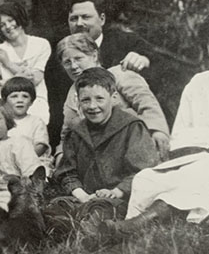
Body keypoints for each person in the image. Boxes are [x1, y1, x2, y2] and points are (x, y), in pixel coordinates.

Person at [100, 7, 209, 240]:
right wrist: (203, 157)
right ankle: (183, 220)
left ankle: (138, 224)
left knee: (205, 172)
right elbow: (180, 142)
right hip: (195, 166)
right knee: (147, 177)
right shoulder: (198, 84)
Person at [51, 68, 158, 222]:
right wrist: (82, 195)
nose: (92, 106)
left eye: (99, 99)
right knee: (54, 210)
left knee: (100, 214)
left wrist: (116, 191)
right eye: (85, 100)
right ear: (78, 101)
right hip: (86, 198)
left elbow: (143, 171)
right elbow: (67, 173)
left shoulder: (131, 127)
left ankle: (95, 229)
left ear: (114, 98)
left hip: (121, 198)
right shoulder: (76, 132)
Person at [55, 33, 170, 160]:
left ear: (94, 55)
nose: (74, 66)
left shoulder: (119, 74)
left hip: (133, 146)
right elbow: (67, 133)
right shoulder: (72, 95)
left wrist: (157, 131)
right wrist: (61, 153)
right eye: (67, 62)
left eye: (78, 59)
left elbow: (146, 103)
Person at [0, 2, 51, 124]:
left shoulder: (41, 44)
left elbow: (35, 79)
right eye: (2, 25)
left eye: (11, 20)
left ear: (19, 19)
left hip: (36, 100)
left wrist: (9, 64)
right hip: (8, 104)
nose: (8, 26)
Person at [1, 77, 53, 175]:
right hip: (7, 163)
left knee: (40, 173)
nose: (20, 100)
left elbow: (41, 146)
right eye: (14, 96)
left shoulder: (36, 121)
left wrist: (22, 161)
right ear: (5, 101)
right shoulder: (2, 123)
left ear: (31, 101)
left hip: (33, 161)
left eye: (25, 96)